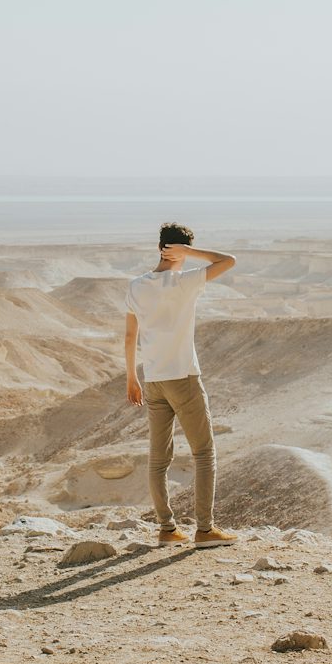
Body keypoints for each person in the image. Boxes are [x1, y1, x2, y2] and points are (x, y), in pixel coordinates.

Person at [124, 222, 238, 547]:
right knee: (204, 453)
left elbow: (131, 335)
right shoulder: (185, 283)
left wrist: (132, 377)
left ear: (160, 247)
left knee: (158, 459)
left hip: (154, 380)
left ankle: (167, 529)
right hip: (184, 378)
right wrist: (192, 253)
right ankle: (205, 530)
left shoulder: (136, 286)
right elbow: (228, 260)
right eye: (185, 251)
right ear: (181, 250)